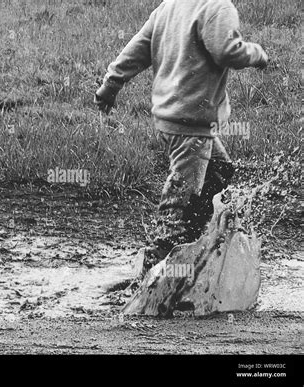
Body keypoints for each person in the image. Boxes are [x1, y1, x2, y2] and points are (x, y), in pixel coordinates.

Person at [94, 0, 268, 278]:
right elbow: (226, 51)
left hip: (172, 119)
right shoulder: (217, 8)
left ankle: (191, 243)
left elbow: (137, 49)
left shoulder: (170, 6)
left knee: (220, 170)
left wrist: (110, 85)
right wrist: (257, 53)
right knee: (177, 208)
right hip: (191, 126)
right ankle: (152, 276)